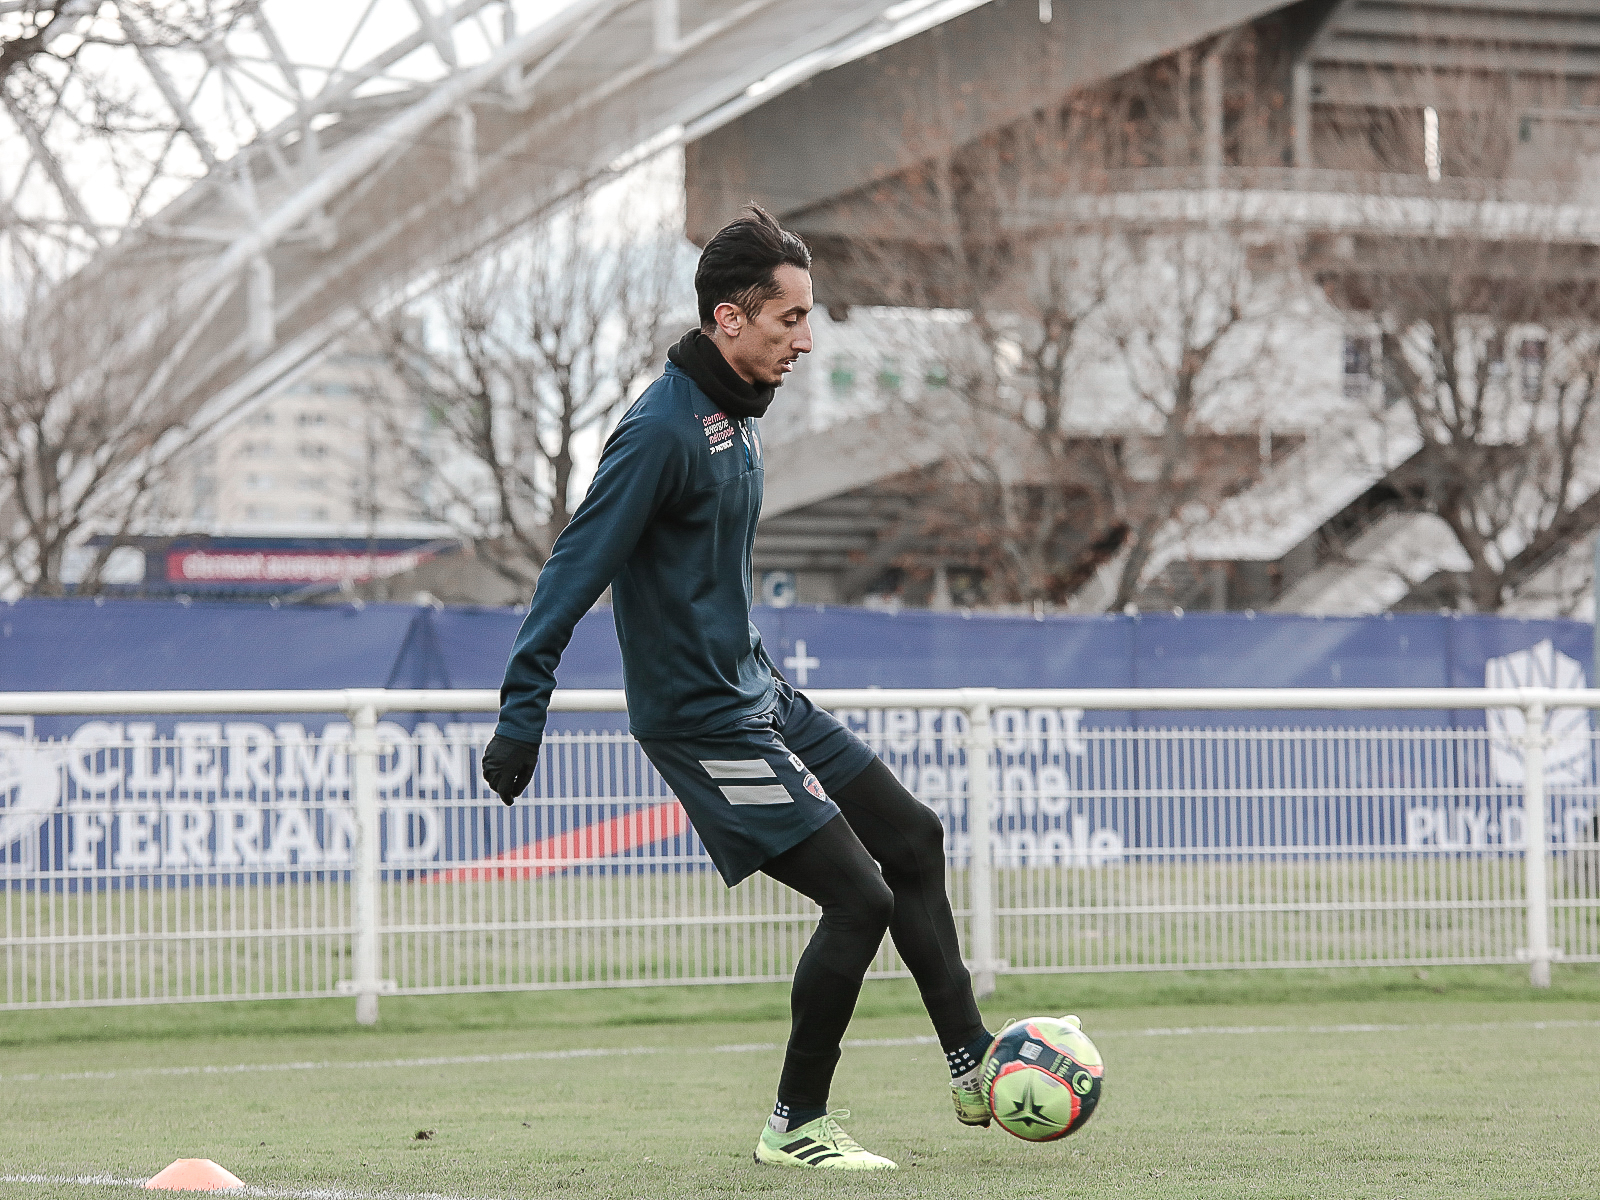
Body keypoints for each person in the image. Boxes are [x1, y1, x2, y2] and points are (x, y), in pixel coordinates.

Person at [481, 206, 994, 1171]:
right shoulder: (661, 432)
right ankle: (796, 1125)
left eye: (807, 318)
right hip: (703, 722)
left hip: (757, 692)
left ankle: (975, 1065)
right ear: (728, 318)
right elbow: (570, 569)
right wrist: (523, 711)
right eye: (788, 319)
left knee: (914, 836)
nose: (805, 338)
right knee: (859, 900)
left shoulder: (735, 419)